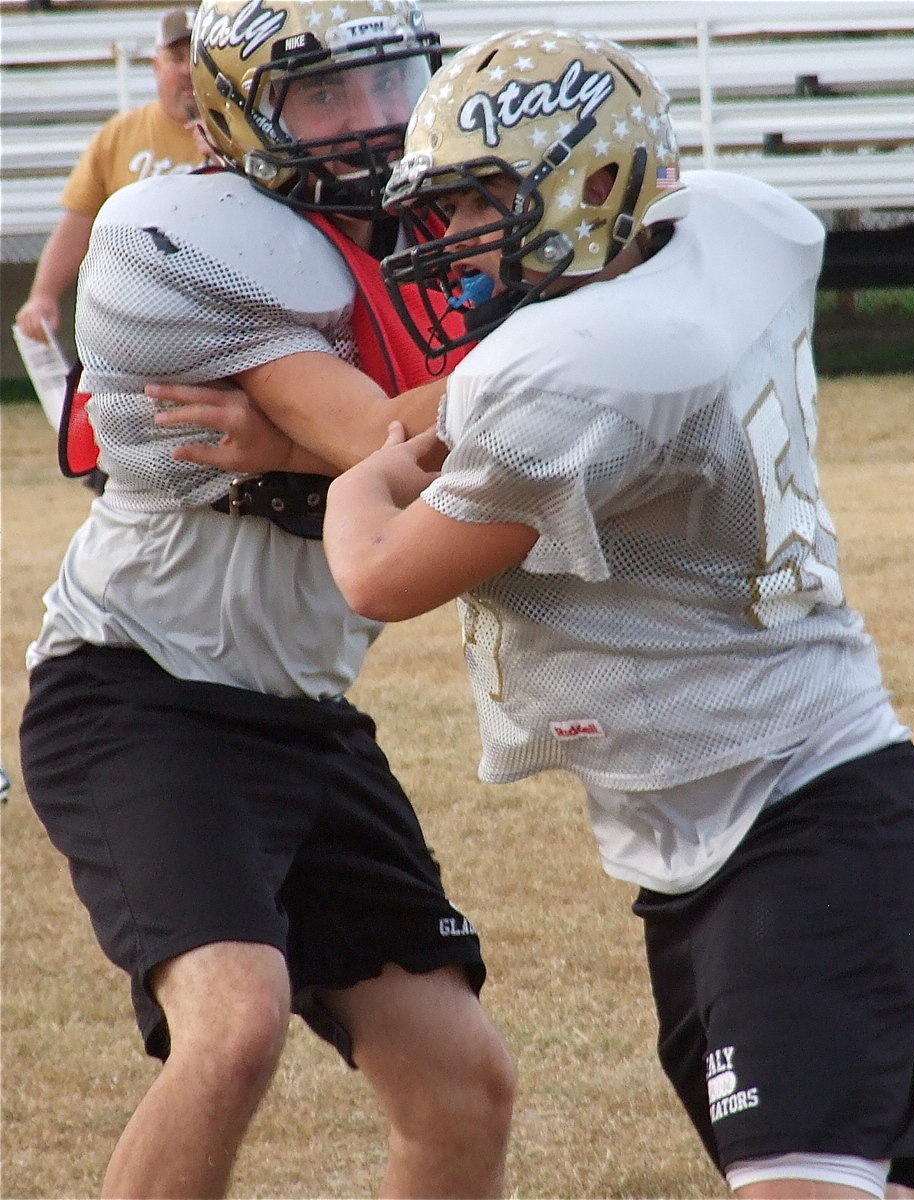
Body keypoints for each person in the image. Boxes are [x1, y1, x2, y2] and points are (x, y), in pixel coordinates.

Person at [314, 29, 914, 1200]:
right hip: (766, 808)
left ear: (592, 180)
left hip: (791, 812)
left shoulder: (594, 365)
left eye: (477, 200)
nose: (450, 237)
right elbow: (493, 386)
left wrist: (355, 479)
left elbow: (380, 578)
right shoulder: (728, 229)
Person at [17, 3, 515, 1197]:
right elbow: (377, 438)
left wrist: (292, 454)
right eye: (326, 96)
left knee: (463, 1084)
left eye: (390, 80)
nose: (374, 122)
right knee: (235, 1025)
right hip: (141, 689)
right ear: (242, 113)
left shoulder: (426, 229)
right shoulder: (193, 231)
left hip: (304, 710)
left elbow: (400, 449)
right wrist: (556, 363)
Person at [14, 8, 206, 344]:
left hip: (213, 308)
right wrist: (43, 294)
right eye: (176, 57)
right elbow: (79, 223)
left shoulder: (240, 134)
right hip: (132, 315)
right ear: (155, 66)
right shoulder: (119, 135)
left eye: (199, 56)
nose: (189, 69)